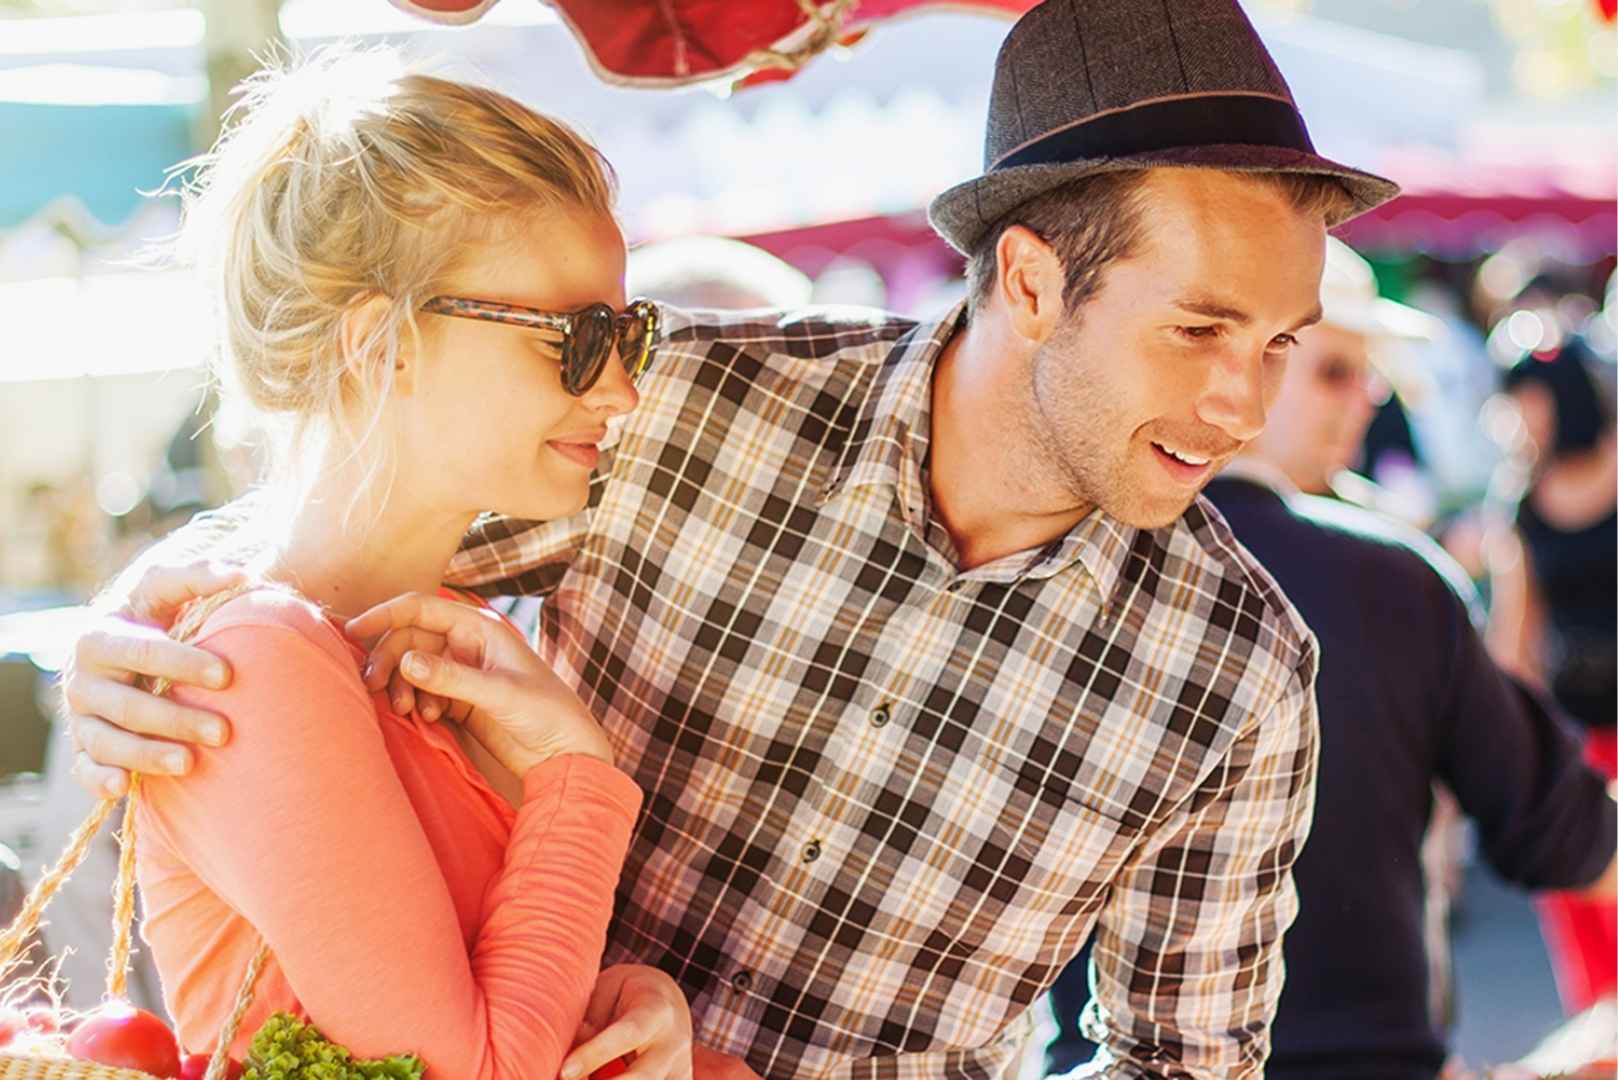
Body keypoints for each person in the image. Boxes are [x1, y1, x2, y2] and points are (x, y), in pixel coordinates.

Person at [63, 2, 1401, 1075]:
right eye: (1197, 330)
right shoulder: (681, 405)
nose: (1243, 405)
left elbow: (1179, 1064)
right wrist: (137, 627)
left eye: (1279, 343)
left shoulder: (1240, 668)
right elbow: (359, 535)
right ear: (1034, 282)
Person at [56, 49, 694, 1080]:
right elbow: (478, 1071)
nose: (619, 388)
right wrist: (578, 777)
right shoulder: (255, 665)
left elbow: (497, 1003)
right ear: (378, 344)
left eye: (629, 333)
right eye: (575, 337)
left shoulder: (431, 646)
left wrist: (618, 1003)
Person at [1049, 238, 1617, 1080]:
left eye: (1370, 374)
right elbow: (1573, 835)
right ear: (1244, 371)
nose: (1368, 398)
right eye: (1334, 370)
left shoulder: (1066, 561)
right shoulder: (1391, 577)